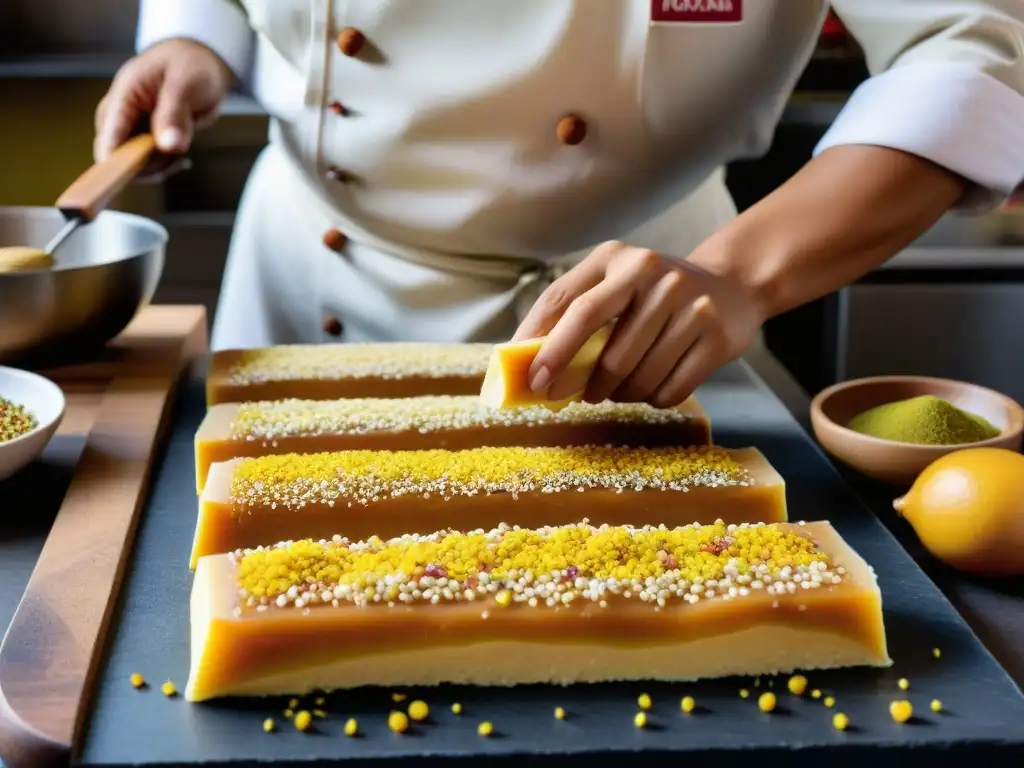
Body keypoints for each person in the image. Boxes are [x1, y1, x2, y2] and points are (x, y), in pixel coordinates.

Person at [96, 1, 1024, 407]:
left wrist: (740, 272)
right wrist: (193, 38)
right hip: (307, 280)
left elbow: (974, 51)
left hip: (631, 319)